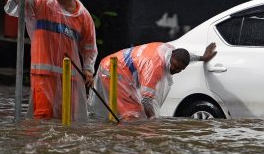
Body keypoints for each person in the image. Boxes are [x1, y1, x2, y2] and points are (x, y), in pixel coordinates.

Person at [0, 0, 97, 121]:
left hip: (69, 76)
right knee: (42, 118)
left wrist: (88, 69)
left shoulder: (83, 16)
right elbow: (28, 0)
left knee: (67, 119)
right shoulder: (43, 4)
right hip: (43, 74)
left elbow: (89, 46)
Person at [89, 42, 217, 121]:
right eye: (174, 66)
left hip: (119, 67)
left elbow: (186, 55)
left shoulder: (170, 50)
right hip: (114, 71)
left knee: (134, 113)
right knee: (133, 115)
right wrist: (153, 121)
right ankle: (125, 143)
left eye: (180, 69)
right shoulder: (155, 67)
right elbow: (146, 100)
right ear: (170, 58)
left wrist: (202, 57)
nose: (175, 70)